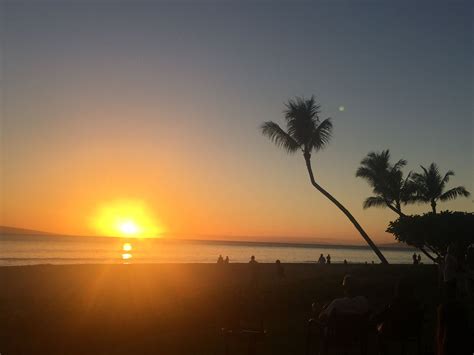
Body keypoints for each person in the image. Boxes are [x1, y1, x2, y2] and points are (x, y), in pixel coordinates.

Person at [374, 278, 423, 353]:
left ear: (398, 290)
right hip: (412, 331)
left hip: (395, 332)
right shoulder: (416, 304)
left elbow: (382, 315)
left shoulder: (394, 304)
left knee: (380, 333)